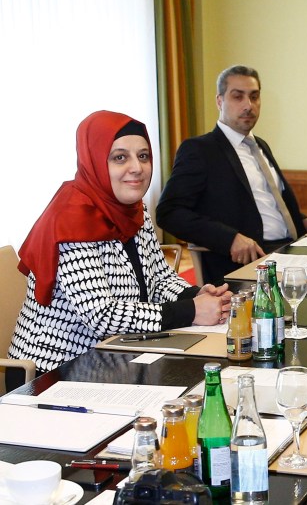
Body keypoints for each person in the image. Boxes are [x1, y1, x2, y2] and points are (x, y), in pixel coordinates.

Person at [8, 111, 231, 391]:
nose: (137, 167)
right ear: (94, 160)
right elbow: (102, 316)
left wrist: (195, 294)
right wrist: (191, 311)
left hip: (114, 355)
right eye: (120, 157)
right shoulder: (70, 220)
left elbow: (160, 278)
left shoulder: (135, 211)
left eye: (143, 156)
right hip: (54, 370)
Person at [156, 65, 307, 284]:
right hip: (250, 262)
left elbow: (263, 203)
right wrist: (230, 239)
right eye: (238, 97)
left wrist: (300, 221)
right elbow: (169, 212)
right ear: (220, 101)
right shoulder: (200, 150)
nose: (248, 105)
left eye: (254, 97)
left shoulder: (260, 145)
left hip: (290, 250)